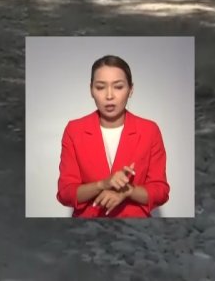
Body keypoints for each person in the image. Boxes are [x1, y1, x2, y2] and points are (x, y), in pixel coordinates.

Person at [56, 55, 171, 218]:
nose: (109, 96)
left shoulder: (149, 130)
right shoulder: (74, 130)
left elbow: (160, 191)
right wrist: (103, 184)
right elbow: (65, 193)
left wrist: (127, 191)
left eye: (118, 87)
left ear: (131, 90)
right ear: (91, 90)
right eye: (100, 87)